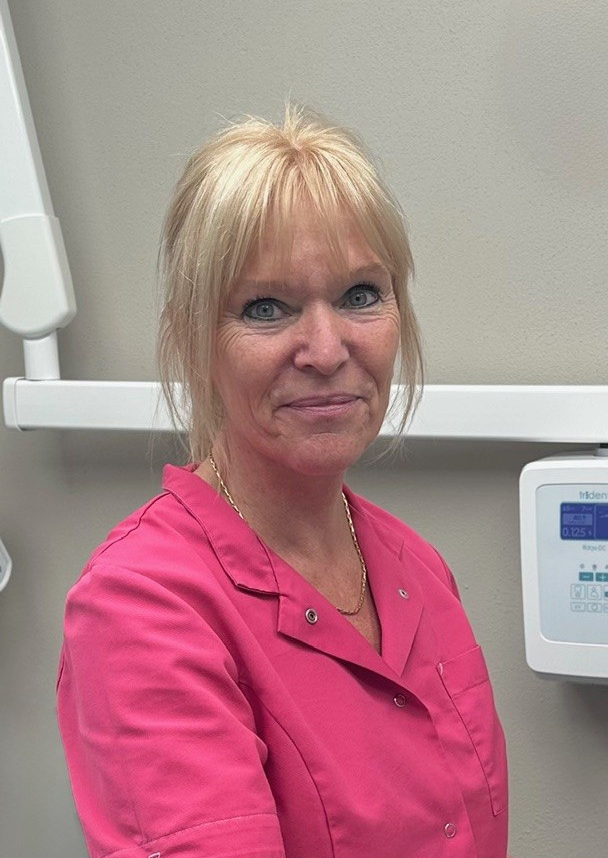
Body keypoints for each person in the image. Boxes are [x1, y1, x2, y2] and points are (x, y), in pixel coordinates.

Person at [56, 107, 509, 858]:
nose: (326, 350)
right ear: (195, 340)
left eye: (361, 295)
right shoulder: (142, 606)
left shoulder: (417, 569)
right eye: (266, 308)